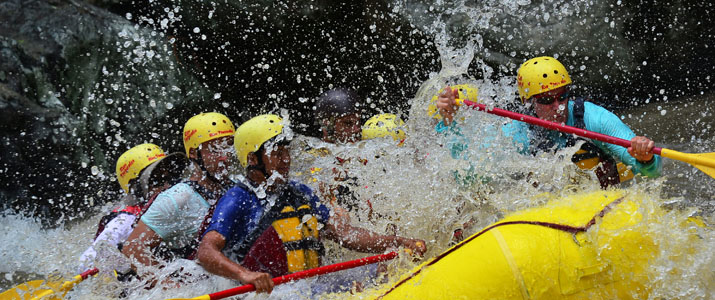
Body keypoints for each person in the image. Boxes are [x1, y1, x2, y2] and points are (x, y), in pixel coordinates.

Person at [196, 114, 426, 294]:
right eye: (276, 152)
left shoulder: (299, 192)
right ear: (253, 160)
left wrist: (400, 243)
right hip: (272, 293)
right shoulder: (239, 198)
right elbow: (206, 251)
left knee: (382, 269)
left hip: (310, 286)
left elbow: (345, 235)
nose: (286, 159)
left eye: (287, 151)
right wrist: (245, 275)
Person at [435, 57, 661, 188]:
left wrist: (645, 157)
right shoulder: (518, 130)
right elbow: (470, 176)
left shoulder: (595, 119)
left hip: (602, 200)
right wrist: (450, 123)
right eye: (545, 100)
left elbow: (653, 172)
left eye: (562, 96)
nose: (558, 106)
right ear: (528, 102)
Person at [121, 112, 235, 282]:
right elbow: (133, 249)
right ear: (194, 154)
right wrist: (170, 286)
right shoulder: (178, 197)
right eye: (214, 149)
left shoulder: (237, 189)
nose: (224, 156)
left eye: (228, 147)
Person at [77, 144, 187, 274]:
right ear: (137, 189)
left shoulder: (180, 203)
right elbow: (85, 263)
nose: (167, 185)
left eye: (171, 178)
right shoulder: (126, 220)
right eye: (158, 180)